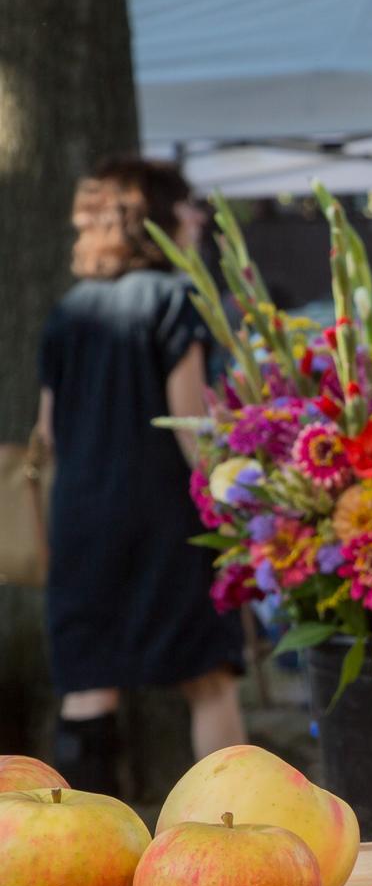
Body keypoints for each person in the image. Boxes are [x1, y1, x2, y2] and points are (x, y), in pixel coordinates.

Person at [36, 158, 246, 793]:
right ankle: (233, 829)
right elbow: (189, 422)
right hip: (164, 520)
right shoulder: (176, 296)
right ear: (157, 218)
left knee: (88, 686)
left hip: (80, 517)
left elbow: (47, 432)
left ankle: (80, 855)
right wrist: (231, 509)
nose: (197, 218)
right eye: (186, 206)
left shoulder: (68, 310)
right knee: (208, 681)